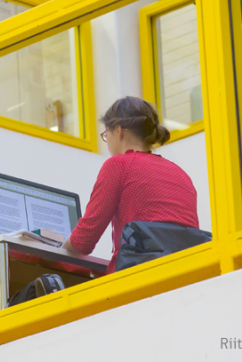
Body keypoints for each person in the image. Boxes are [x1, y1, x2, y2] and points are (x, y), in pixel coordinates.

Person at [61, 96, 199, 273]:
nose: (107, 143)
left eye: (106, 135)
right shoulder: (181, 174)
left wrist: (58, 247)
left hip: (137, 278)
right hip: (185, 277)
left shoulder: (119, 165)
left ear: (118, 131)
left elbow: (84, 240)